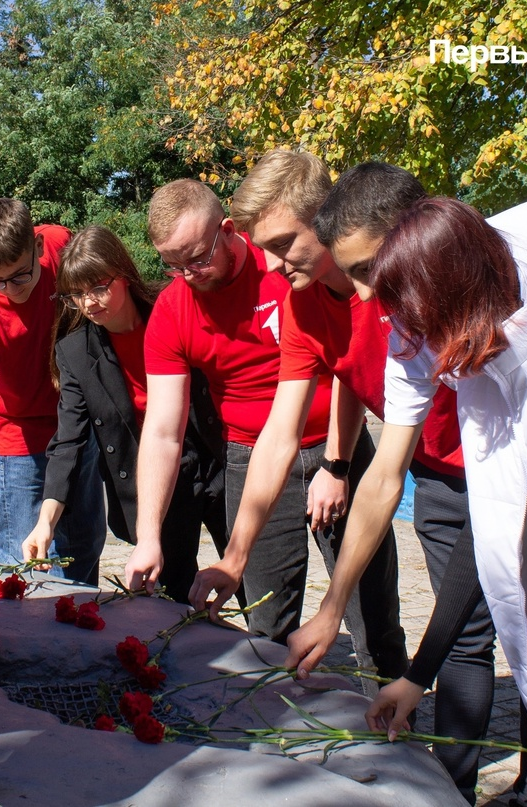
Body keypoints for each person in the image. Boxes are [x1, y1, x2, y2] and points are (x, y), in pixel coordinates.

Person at [292, 186, 527, 804]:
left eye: (370, 272)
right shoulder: (413, 335)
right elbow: (415, 496)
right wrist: (337, 610)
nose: (369, 295)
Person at [125, 177, 406, 678]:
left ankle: (387, 727)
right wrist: (149, 536)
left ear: (227, 231)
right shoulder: (172, 309)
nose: (188, 274)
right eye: (173, 264)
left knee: (371, 612)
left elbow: (347, 361)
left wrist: (338, 463)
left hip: (334, 442)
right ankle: (276, 735)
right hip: (253, 456)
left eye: (197, 257)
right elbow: (163, 432)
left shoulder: (292, 263)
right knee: (265, 619)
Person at [20, 225, 228, 600]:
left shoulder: (171, 308)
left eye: (99, 286)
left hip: (215, 461)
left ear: (124, 273)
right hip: (155, 481)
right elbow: (68, 442)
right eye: (77, 294)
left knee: (249, 576)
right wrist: (45, 522)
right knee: (172, 602)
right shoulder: (75, 353)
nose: (89, 302)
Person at [0, 198, 106, 583]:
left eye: (20, 276)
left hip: (75, 430)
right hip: (18, 445)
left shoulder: (58, 244)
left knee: (82, 548)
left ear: (37, 248)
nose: (9, 290)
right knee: (26, 567)